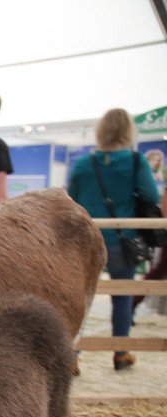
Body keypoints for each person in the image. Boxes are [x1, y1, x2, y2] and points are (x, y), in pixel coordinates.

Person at [68, 108, 160, 371]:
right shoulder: (135, 161)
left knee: (80, 297)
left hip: (85, 239)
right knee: (122, 295)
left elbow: (71, 198)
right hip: (123, 237)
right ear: (127, 131)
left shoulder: (85, 163)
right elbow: (151, 196)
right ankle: (120, 352)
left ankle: (72, 355)